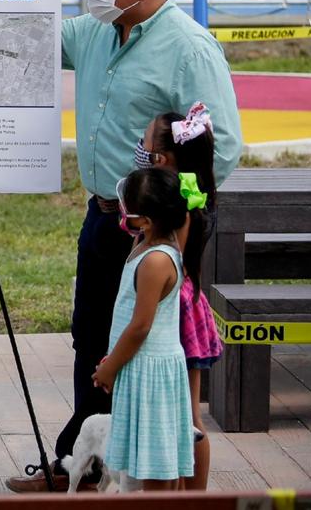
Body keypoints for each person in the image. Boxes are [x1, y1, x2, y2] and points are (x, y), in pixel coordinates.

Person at [7, 0, 241, 493]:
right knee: (91, 338)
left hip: (156, 231)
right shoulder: (94, 33)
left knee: (150, 349)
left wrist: (167, 215)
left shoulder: (188, 48)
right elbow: (28, 36)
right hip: (104, 216)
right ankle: (81, 466)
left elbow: (222, 146)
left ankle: (155, 470)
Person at [93, 167, 195, 491]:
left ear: (148, 220)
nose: (123, 213)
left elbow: (140, 327)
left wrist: (110, 367)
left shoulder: (156, 261)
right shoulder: (152, 241)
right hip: (141, 366)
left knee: (158, 468)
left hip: (149, 369)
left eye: (129, 210)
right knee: (159, 459)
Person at [140, 103, 221, 489]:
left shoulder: (178, 203)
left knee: (185, 419)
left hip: (175, 311)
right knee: (189, 416)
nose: (139, 150)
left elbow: (164, 255)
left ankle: (186, 496)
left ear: (162, 157)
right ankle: (194, 497)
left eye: (145, 143)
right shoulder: (194, 190)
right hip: (188, 306)